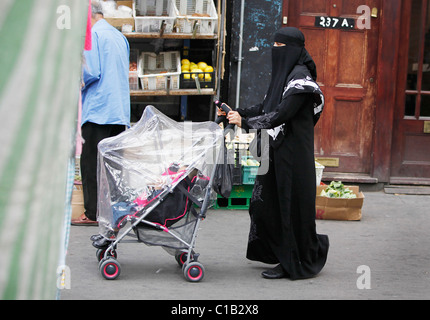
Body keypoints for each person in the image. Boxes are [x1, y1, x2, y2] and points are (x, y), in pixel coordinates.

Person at [220, 27, 329, 280]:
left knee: (288, 207)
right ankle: (278, 252)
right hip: (274, 152)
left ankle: (293, 260)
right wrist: (239, 112)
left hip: (292, 157)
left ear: (292, 50)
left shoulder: (301, 81)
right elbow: (266, 106)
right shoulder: (285, 76)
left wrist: (244, 123)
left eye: (280, 48)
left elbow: (280, 115)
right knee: (265, 204)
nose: (274, 53)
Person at [71, 2, 131, 226]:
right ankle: (114, 211)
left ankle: (93, 213)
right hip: (119, 111)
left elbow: (91, 71)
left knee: (90, 164)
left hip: (98, 109)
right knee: (113, 166)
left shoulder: (92, 36)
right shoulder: (118, 36)